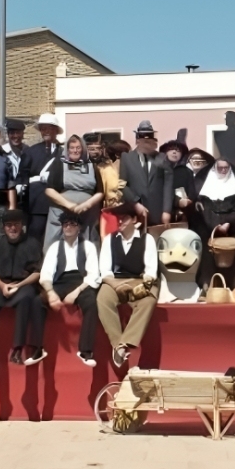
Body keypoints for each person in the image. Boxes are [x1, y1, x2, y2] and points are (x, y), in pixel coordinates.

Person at [0, 210, 47, 366]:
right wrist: (2, 285)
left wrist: (19, 285)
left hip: (24, 283)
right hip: (1, 283)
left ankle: (17, 349)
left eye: (16, 225)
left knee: (26, 297)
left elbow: (37, 273)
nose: (12, 228)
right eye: (9, 225)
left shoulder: (33, 243)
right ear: (3, 228)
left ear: (22, 226)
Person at [97, 203, 160, 368]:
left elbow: (151, 272)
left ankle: (127, 342)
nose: (120, 222)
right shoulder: (109, 240)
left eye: (124, 218)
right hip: (115, 282)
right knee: (102, 298)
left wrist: (137, 288)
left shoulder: (148, 240)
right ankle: (118, 345)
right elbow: (105, 271)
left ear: (134, 220)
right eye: (118, 219)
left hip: (139, 281)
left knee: (148, 301)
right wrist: (116, 286)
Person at [40, 211, 101, 367]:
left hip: (81, 282)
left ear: (79, 227)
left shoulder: (88, 246)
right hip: (60, 281)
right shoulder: (55, 247)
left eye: (72, 224)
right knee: (36, 302)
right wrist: (51, 292)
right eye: (65, 224)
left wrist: (76, 292)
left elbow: (93, 274)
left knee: (92, 303)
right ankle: (36, 347)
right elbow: (46, 274)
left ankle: (85, 350)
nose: (68, 227)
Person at [43, 134, 103, 251]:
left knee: (88, 241)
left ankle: (88, 267)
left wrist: (85, 205)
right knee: (55, 242)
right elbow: (49, 190)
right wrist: (69, 205)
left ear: (83, 149)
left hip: (88, 212)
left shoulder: (92, 166)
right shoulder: (59, 164)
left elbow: (100, 192)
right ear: (67, 149)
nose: (75, 150)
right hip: (62, 210)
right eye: (72, 147)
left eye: (78, 147)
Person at [194, 158, 235, 290]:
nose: (223, 170)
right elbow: (199, 205)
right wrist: (213, 226)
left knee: (231, 256)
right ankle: (206, 285)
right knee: (207, 255)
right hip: (208, 225)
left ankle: (232, 286)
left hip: (230, 227)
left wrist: (228, 224)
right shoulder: (205, 183)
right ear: (215, 168)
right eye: (220, 167)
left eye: (226, 168)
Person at [18, 114, 63, 245]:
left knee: (56, 237)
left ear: (56, 130)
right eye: (43, 129)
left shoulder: (63, 152)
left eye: (50, 128)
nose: (46, 132)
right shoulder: (31, 151)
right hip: (36, 202)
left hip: (58, 201)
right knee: (35, 237)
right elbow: (23, 174)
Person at [120, 120, 173, 226]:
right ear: (137, 141)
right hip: (134, 212)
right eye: (143, 141)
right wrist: (135, 203)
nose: (146, 145)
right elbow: (122, 184)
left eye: (149, 142)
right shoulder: (127, 158)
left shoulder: (162, 158)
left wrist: (166, 211)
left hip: (158, 212)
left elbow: (168, 186)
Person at [160, 140, 196, 224]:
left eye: (178, 150)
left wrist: (188, 201)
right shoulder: (159, 170)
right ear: (165, 152)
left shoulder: (187, 171)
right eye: (171, 149)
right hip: (161, 213)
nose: (174, 152)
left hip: (182, 214)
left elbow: (192, 192)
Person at [3, 118, 29, 198]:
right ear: (8, 134)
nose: (15, 136)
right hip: (6, 195)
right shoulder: (2, 152)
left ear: (23, 134)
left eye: (18, 133)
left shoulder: (29, 151)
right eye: (12, 133)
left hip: (25, 195)